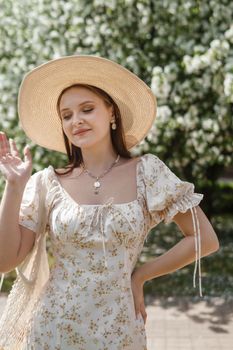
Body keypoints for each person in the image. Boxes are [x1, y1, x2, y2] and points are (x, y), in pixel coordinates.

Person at [0, 55, 219, 349]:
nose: (76, 120)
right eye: (66, 115)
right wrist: (13, 187)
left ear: (112, 113)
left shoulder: (148, 172)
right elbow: (5, 260)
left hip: (120, 330)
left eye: (87, 109)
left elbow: (204, 239)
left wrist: (141, 275)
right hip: (53, 330)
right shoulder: (46, 183)